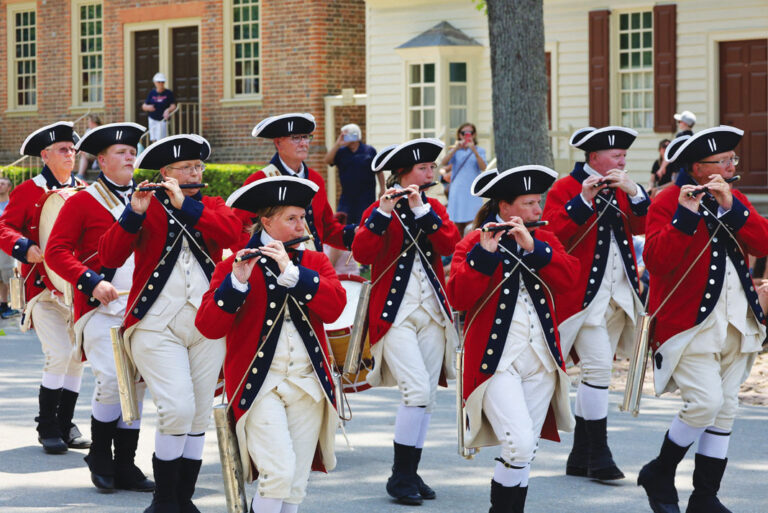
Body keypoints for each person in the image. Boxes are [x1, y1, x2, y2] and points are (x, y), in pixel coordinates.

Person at [98, 134, 241, 512]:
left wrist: (188, 207)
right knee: (177, 408)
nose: (195, 173)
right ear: (166, 173)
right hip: (154, 324)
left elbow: (233, 234)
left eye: (198, 167)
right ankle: (163, 501)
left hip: (207, 324)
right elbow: (108, 255)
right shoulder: (145, 205)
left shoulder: (211, 204)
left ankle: (183, 499)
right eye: (186, 168)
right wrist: (134, 214)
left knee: (196, 414)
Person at [638, 126, 768, 513]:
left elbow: (762, 243)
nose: (732, 166)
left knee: (726, 407)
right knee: (705, 403)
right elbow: (657, 261)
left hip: (737, 322)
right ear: (698, 168)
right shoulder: (665, 201)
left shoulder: (735, 197)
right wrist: (685, 215)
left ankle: (705, 495)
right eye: (723, 161)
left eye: (733, 160)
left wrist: (735, 208)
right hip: (689, 326)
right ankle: (660, 471)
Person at [197, 175, 345, 513]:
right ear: (266, 222)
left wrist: (293, 273)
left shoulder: (314, 262)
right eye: (291, 218)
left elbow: (335, 309)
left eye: (303, 217)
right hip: (259, 384)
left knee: (294, 485)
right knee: (277, 472)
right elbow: (208, 326)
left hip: (309, 383)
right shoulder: (234, 264)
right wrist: (236, 283)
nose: (301, 224)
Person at [448, 166, 576, 512]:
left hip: (541, 360)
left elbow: (569, 281)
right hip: (495, 363)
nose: (538, 210)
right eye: (530, 203)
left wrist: (535, 248)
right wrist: (484, 256)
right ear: (505, 207)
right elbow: (458, 298)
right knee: (518, 443)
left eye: (539, 202)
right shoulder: (474, 241)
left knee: (524, 448)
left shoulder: (544, 240)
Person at [45, 122, 154, 494]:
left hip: (142, 308)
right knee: (111, 380)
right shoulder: (82, 201)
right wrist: (92, 281)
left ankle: (125, 462)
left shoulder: (150, 200)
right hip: (99, 308)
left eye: (132, 152)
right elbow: (55, 251)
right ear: (102, 161)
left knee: (136, 386)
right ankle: (101, 456)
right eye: (121, 153)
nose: (130, 158)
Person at [352, 138, 460, 506]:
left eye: (432, 168)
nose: (432, 174)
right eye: (424, 169)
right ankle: (400, 476)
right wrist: (383, 213)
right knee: (415, 390)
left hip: (431, 312)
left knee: (426, 397)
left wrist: (420, 210)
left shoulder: (434, 208)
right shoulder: (378, 209)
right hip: (393, 315)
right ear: (402, 174)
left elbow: (449, 246)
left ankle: (410, 472)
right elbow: (362, 252)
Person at [542, 126, 649, 481]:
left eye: (623, 155)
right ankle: (599, 455)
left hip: (619, 294)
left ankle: (580, 456)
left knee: (594, 372)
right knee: (600, 367)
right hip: (582, 298)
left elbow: (642, 225)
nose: (622, 160)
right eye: (616, 155)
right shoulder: (564, 188)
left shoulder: (621, 186)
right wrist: (583, 201)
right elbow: (553, 235)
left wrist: (636, 193)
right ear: (594, 159)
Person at [0, 121, 90, 454]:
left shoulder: (84, 189)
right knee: (60, 354)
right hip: (41, 287)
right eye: (63, 150)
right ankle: (47, 425)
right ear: (45, 155)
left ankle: (66, 423)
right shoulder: (29, 191)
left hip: (76, 287)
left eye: (73, 149)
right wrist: (26, 247)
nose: (71, 154)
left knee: (77, 357)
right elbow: (5, 228)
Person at [237, 113, 356, 253]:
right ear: (278, 142)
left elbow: (327, 228)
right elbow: (238, 232)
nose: (303, 143)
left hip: (315, 267)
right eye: (295, 138)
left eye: (305, 137)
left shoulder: (315, 179)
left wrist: (357, 233)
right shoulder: (260, 180)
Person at [323, 123, 384, 224]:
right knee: (341, 223)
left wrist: (382, 189)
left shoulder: (369, 151)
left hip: (366, 196)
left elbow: (379, 171)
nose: (343, 137)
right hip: (346, 197)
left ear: (355, 136)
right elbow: (328, 160)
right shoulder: (341, 152)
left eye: (345, 135)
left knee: (363, 224)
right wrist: (337, 144)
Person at [440, 123, 487, 236]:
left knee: (472, 224)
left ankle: (468, 250)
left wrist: (473, 150)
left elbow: (483, 167)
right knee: (456, 224)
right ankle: (456, 251)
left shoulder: (479, 150)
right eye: (463, 133)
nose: (467, 135)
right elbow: (444, 162)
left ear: (474, 134)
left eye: (470, 133)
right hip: (457, 190)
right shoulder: (456, 151)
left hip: (471, 190)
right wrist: (456, 148)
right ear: (459, 135)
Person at [0, 177, 20, 319]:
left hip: (7, 246)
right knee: (1, 279)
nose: (0, 186)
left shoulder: (12, 205)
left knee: (10, 276)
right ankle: (3, 304)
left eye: (3, 184)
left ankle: (17, 306)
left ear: (9, 188)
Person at [142, 73, 177, 143]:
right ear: (155, 82)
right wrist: (147, 107)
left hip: (162, 120)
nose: (161, 83)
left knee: (161, 140)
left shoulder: (168, 93)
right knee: (153, 138)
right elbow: (144, 106)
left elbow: (173, 105)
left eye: (162, 82)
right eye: (159, 82)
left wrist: (168, 110)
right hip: (152, 119)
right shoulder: (152, 93)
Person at [76, 114, 103, 180]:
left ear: (93, 122)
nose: (88, 123)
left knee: (84, 154)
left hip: (99, 152)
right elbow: (83, 142)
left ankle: (80, 175)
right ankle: (80, 174)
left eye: (88, 121)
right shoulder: (88, 130)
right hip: (90, 153)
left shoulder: (100, 129)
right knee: (83, 153)